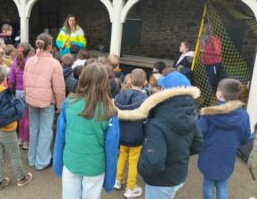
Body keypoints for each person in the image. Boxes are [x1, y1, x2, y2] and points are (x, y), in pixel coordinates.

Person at [53, 62, 120, 199]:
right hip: (95, 167)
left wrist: (57, 163)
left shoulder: (68, 103)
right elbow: (112, 147)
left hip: (71, 161)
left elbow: (60, 136)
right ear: (105, 82)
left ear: (82, 79)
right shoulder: (110, 110)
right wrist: (109, 180)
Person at [133, 71, 203, 199]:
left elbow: (153, 163)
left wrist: (140, 168)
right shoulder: (191, 114)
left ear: (165, 91)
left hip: (160, 181)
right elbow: (197, 144)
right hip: (178, 175)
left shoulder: (157, 122)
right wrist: (178, 154)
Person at [0, 64, 33, 192]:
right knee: (14, 154)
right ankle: (22, 178)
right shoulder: (5, 94)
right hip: (7, 129)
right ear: (4, 78)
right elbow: (14, 111)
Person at [198, 78, 251, 199]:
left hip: (209, 155)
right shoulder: (244, 115)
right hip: (228, 155)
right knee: (223, 183)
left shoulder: (208, 114)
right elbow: (246, 137)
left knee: (208, 183)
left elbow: (199, 134)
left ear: (219, 94)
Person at [23, 33, 65, 171]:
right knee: (46, 131)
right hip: (47, 102)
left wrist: (28, 97)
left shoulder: (29, 61)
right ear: (50, 46)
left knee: (34, 128)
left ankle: (32, 158)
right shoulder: (54, 64)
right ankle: (41, 161)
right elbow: (59, 87)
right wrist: (60, 104)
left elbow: (24, 82)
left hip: (31, 100)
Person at [113, 69, 148, 198]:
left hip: (122, 133)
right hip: (137, 135)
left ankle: (117, 180)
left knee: (122, 157)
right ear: (145, 82)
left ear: (129, 80)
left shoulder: (120, 95)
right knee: (133, 162)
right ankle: (130, 188)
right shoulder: (144, 98)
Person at [8, 42, 31, 150]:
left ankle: (20, 139)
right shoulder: (31, 62)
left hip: (18, 92)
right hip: (28, 92)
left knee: (21, 117)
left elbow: (11, 80)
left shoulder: (14, 63)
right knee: (28, 118)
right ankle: (26, 142)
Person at [200, 22, 225, 92]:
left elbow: (218, 52)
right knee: (207, 80)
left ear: (208, 29)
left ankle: (215, 94)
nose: (202, 29)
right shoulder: (203, 38)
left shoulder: (214, 38)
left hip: (214, 63)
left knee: (212, 80)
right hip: (205, 62)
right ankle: (209, 94)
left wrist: (204, 51)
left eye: (203, 27)